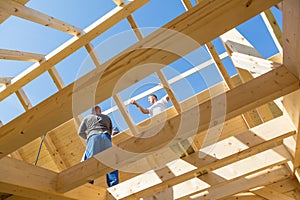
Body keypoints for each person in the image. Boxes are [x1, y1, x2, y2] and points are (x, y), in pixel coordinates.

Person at [78, 105, 119, 187]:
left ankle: (88, 185)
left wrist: (89, 137)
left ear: (92, 111)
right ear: (99, 110)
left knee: (90, 161)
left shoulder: (87, 118)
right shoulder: (106, 117)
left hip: (93, 138)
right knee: (111, 161)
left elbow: (80, 132)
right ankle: (114, 185)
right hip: (105, 137)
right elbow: (110, 131)